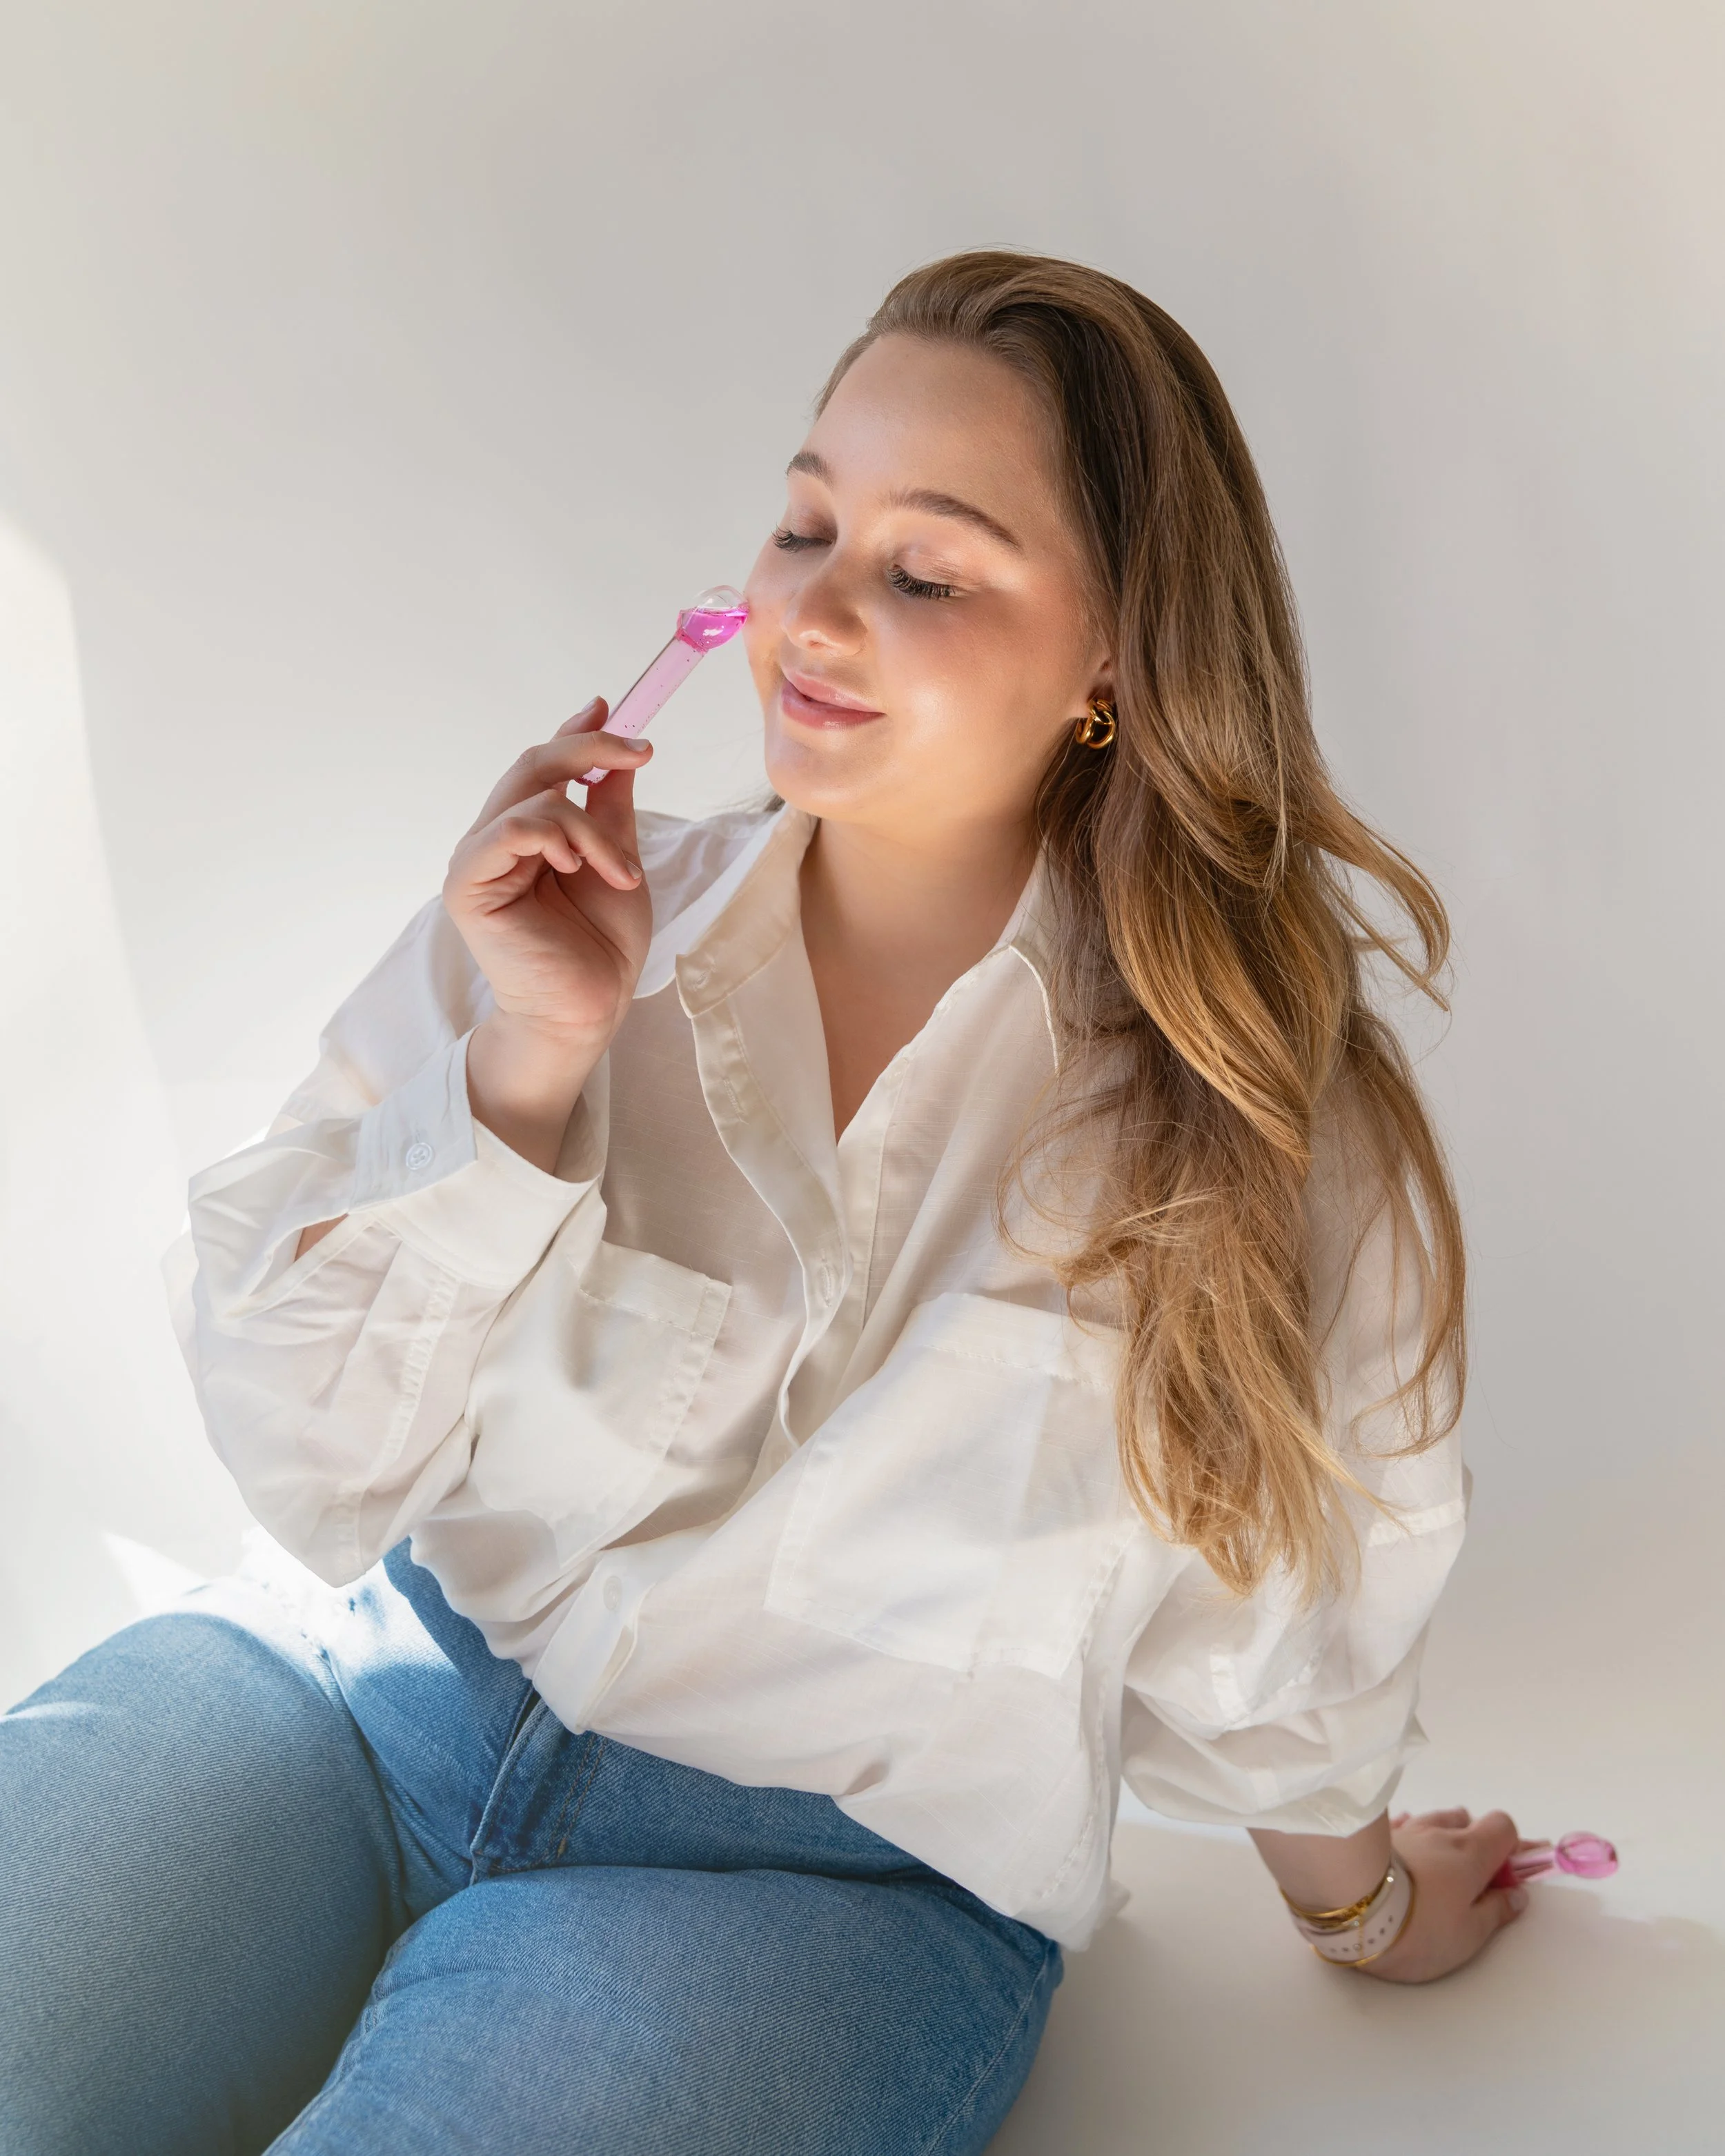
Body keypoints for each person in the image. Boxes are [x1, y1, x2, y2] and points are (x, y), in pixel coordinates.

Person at [0, 250, 1530, 2155]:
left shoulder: (1262, 1126)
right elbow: (301, 1448)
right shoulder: (556, 936)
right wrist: (528, 1065)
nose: (808, 607)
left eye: (925, 564)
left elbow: (1301, 1613)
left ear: (1118, 658)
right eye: (806, 522)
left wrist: (1360, 1901)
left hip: (811, 1890)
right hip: (350, 1694)